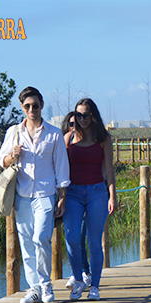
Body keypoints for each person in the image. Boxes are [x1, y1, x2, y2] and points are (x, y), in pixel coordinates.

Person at [0, 86, 70, 303]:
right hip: (22, 195)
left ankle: (46, 284)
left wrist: (62, 196)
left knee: (41, 237)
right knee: (27, 241)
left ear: (42, 106)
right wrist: (13, 154)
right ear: (22, 107)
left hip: (45, 194)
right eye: (27, 106)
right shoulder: (14, 132)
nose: (32, 109)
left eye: (35, 105)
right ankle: (34, 288)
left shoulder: (54, 133)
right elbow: (1, 161)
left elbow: (61, 167)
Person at [62, 98, 117, 301]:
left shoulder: (103, 138)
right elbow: (61, 170)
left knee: (94, 242)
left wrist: (112, 195)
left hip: (96, 192)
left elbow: (109, 169)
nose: (82, 119)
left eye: (86, 115)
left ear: (93, 115)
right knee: (72, 238)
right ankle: (78, 280)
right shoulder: (68, 139)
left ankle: (95, 286)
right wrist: (61, 197)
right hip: (73, 193)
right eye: (78, 115)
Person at [61, 112, 92, 290]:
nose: (75, 127)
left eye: (77, 123)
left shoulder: (91, 141)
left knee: (81, 236)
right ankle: (78, 273)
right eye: (71, 124)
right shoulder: (66, 142)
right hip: (69, 193)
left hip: (88, 193)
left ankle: (84, 273)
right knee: (71, 236)